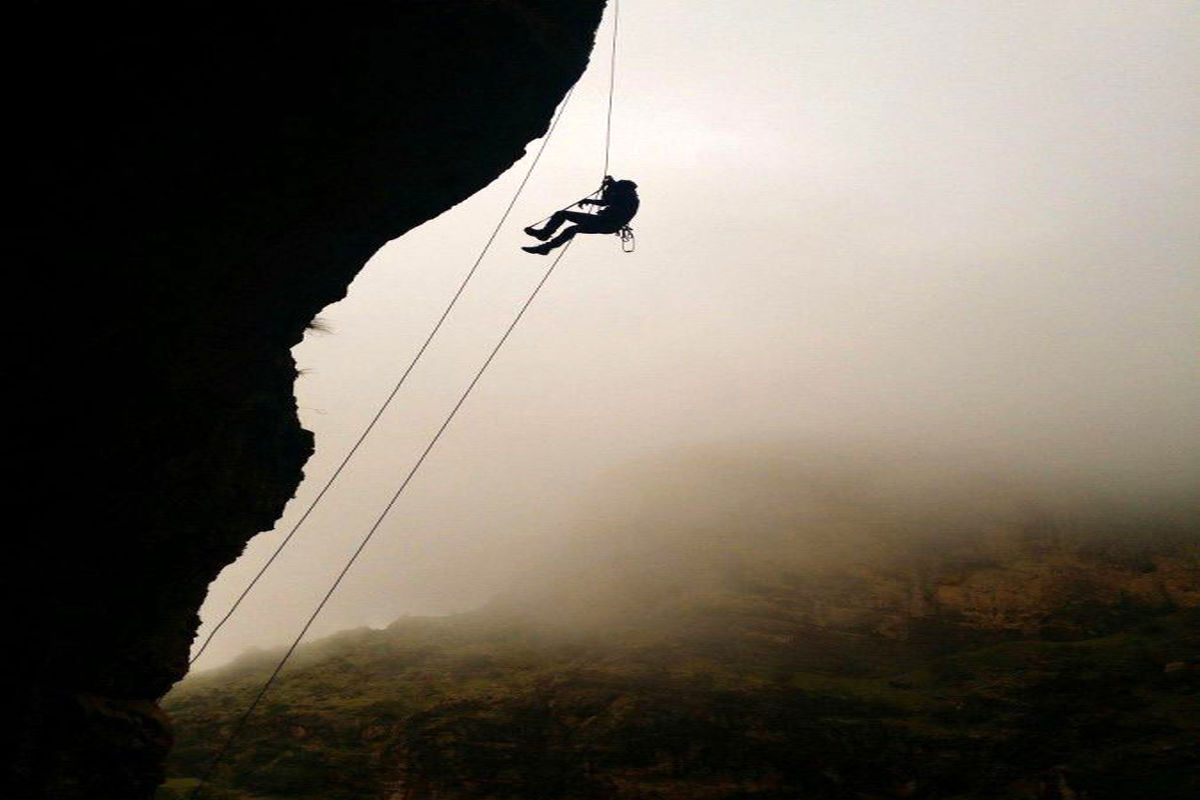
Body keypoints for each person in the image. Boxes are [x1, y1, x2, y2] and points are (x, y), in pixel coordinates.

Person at [522, 176, 639, 254]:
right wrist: (609, 187)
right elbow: (609, 199)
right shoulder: (627, 195)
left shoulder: (629, 198)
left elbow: (608, 201)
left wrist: (610, 186)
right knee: (567, 222)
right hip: (604, 222)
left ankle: (545, 242)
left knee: (566, 220)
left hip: (606, 223)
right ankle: (545, 238)